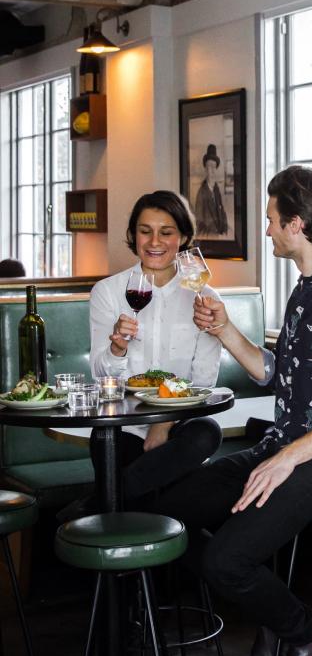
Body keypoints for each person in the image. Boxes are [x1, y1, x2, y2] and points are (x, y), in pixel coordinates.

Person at [150, 166, 312, 656]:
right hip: (283, 446)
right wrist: (223, 328)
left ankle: (309, 638)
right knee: (170, 512)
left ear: (296, 224)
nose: (267, 229)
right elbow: (276, 374)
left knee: (224, 561)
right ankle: (275, 623)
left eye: (272, 220)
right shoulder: (304, 291)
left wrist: (285, 460)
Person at [88, 189, 222, 502]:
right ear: (133, 235)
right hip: (124, 422)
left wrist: (164, 422)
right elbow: (99, 374)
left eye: (166, 232)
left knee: (206, 433)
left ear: (183, 237)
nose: (154, 242)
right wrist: (117, 349)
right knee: (107, 442)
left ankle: (96, 506)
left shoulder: (205, 299)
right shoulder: (108, 292)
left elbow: (204, 380)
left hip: (180, 424)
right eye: (145, 231)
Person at [194, 144, 228, 236]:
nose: (212, 170)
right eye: (210, 166)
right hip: (209, 238)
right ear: (206, 169)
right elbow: (198, 222)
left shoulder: (217, 190)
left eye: (214, 166)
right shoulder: (201, 193)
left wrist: (225, 231)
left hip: (219, 237)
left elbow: (222, 212)